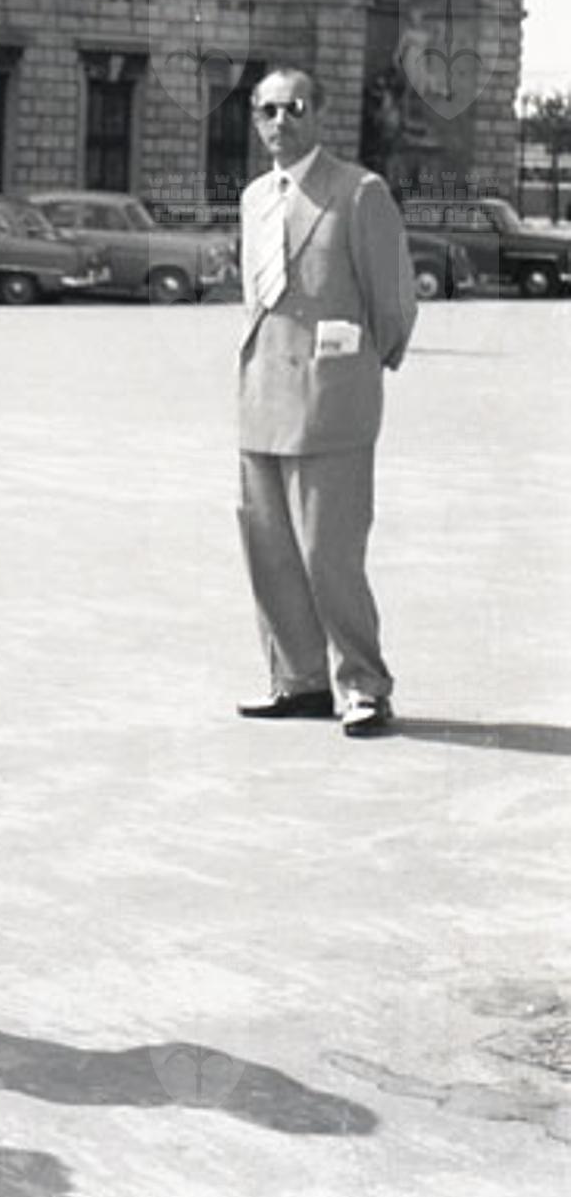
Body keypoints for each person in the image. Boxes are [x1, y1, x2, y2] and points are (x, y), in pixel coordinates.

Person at [235, 68, 417, 738]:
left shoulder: (359, 192)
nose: (281, 121)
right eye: (268, 110)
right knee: (270, 552)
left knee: (329, 554)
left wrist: (361, 367)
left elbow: (393, 300)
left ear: (319, 114)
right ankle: (300, 681)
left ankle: (364, 685)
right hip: (261, 396)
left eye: (295, 107)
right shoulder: (255, 197)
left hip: (330, 402)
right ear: (255, 120)